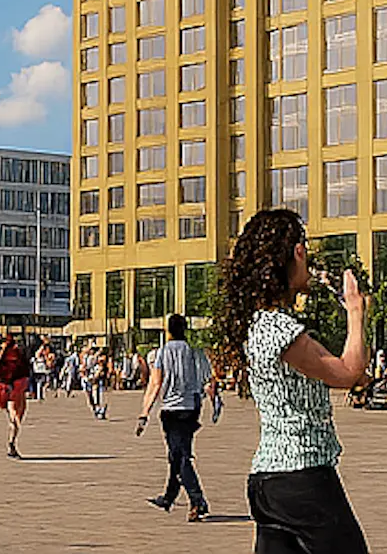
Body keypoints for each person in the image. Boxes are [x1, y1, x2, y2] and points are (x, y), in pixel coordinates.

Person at [215, 208, 370, 554]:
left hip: (268, 482)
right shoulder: (280, 329)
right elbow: (349, 372)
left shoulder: (259, 324)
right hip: (302, 477)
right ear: (297, 252)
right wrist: (356, 312)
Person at [136, 312, 219, 522]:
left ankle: (197, 500)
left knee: (180, 457)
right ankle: (168, 497)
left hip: (171, 411)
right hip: (191, 408)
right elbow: (208, 381)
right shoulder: (194, 352)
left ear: (168, 330)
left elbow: (155, 384)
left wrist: (144, 413)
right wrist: (215, 403)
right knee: (179, 454)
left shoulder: (163, 352)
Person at [0, 329, 31, 458]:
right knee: (17, 414)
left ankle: (12, 436)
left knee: (14, 413)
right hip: (16, 384)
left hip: (2, 385)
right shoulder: (16, 353)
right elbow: (25, 367)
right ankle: (12, 441)